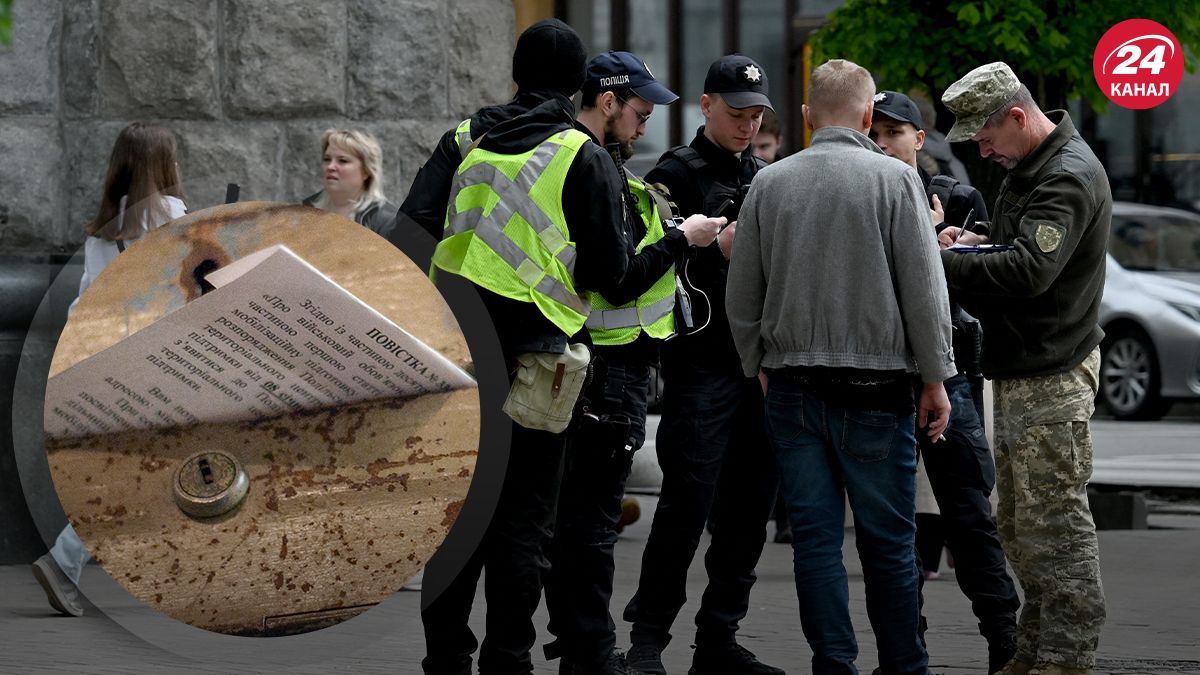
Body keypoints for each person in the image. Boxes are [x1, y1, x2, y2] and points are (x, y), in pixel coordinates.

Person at [405, 19, 631, 675]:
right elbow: (608, 273)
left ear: (514, 74)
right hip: (542, 360)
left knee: (457, 513)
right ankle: (508, 657)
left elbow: (412, 228)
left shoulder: (468, 141)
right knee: (524, 518)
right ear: (577, 87)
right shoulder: (579, 154)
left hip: (460, 354)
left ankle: (446, 657)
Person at [726, 58, 955, 675]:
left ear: (804, 116)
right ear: (866, 117)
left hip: (793, 384)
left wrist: (759, 361)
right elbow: (925, 292)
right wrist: (935, 377)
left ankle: (834, 663)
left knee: (816, 545)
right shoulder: (895, 181)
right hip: (879, 386)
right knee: (888, 545)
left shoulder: (770, 184)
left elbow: (741, 294)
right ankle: (904, 664)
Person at [543, 51, 724, 675]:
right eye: (639, 110)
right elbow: (616, 281)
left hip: (591, 366)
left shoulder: (584, 157)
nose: (646, 123)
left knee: (574, 521)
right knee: (591, 523)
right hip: (607, 371)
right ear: (607, 100)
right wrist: (684, 240)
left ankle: (578, 643)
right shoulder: (588, 159)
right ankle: (591, 653)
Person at [936, 61, 1111, 675]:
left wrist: (942, 261)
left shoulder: (1064, 176)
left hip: (1051, 371)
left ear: (1017, 116)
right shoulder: (1032, 165)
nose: (980, 149)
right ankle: (1033, 651)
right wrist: (974, 239)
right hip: (1027, 366)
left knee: (1053, 526)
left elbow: (1029, 273)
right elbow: (1016, 246)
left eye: (984, 137)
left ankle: (1064, 660)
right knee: (1018, 522)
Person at [623, 54, 783, 675]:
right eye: (737, 113)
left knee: (749, 510)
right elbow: (647, 269)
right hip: (700, 366)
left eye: (757, 115)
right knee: (686, 505)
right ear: (707, 106)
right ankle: (647, 639)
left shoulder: (768, 176)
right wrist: (711, 250)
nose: (748, 125)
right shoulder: (672, 177)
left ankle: (719, 637)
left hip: (759, 367)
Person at [869, 90, 1020, 673]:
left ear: (919, 137)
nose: (883, 143)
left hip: (948, 372)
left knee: (969, 516)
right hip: (880, 375)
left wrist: (942, 244)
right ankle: (906, 650)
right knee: (892, 526)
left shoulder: (955, 197)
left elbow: (984, 284)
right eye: (874, 131)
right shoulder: (863, 195)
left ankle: (1004, 639)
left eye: (894, 132)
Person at [33, 121, 188, 617]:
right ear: (165, 165)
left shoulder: (105, 229)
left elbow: (84, 303)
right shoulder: (175, 217)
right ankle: (65, 560)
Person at [302, 128, 396, 236]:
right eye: (327, 159)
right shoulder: (307, 210)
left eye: (343, 160)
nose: (330, 167)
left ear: (366, 171)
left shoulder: (386, 222)